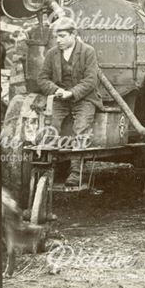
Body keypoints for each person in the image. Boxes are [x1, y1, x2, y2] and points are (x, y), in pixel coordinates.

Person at [37, 17, 102, 188]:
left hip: (84, 98)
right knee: (50, 127)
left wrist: (71, 93)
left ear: (73, 35)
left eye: (63, 36)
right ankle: (48, 168)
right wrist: (55, 90)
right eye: (56, 37)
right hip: (60, 99)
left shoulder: (88, 52)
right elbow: (42, 78)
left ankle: (76, 171)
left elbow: (90, 81)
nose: (58, 40)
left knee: (81, 128)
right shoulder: (52, 54)